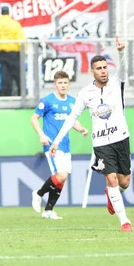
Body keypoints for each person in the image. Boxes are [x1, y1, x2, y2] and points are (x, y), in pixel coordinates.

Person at [49, 37, 132, 232]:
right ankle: (125, 221)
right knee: (111, 178)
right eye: (99, 68)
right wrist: (56, 141)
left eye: (105, 67)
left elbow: (124, 69)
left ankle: (112, 195)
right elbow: (71, 118)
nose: (103, 71)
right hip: (102, 143)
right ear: (91, 71)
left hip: (121, 138)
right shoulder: (85, 93)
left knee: (124, 182)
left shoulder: (117, 82)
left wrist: (121, 53)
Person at [30, 71, 88, 219]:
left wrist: (81, 128)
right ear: (55, 84)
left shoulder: (71, 101)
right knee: (60, 176)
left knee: (62, 177)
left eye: (65, 83)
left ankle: (49, 210)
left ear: (69, 84)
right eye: (60, 83)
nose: (63, 85)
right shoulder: (47, 101)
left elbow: (72, 120)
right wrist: (41, 134)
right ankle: (38, 193)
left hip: (65, 144)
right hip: (51, 145)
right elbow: (34, 118)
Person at [0, 5, 25, 96]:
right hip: (13, 53)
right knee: (18, 75)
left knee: (5, 76)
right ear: (8, 12)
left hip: (1, 53)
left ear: (1, 13)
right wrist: (22, 52)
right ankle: (21, 94)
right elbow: (21, 39)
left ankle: (6, 96)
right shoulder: (15, 24)